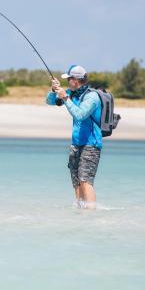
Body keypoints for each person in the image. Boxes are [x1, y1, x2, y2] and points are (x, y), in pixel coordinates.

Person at [47, 65, 102, 209]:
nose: (68, 82)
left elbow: (80, 115)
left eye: (69, 79)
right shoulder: (73, 94)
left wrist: (65, 97)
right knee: (76, 181)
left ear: (76, 80)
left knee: (85, 180)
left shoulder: (92, 97)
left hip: (91, 144)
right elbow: (50, 101)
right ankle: (79, 213)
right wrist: (54, 91)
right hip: (76, 144)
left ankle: (90, 213)